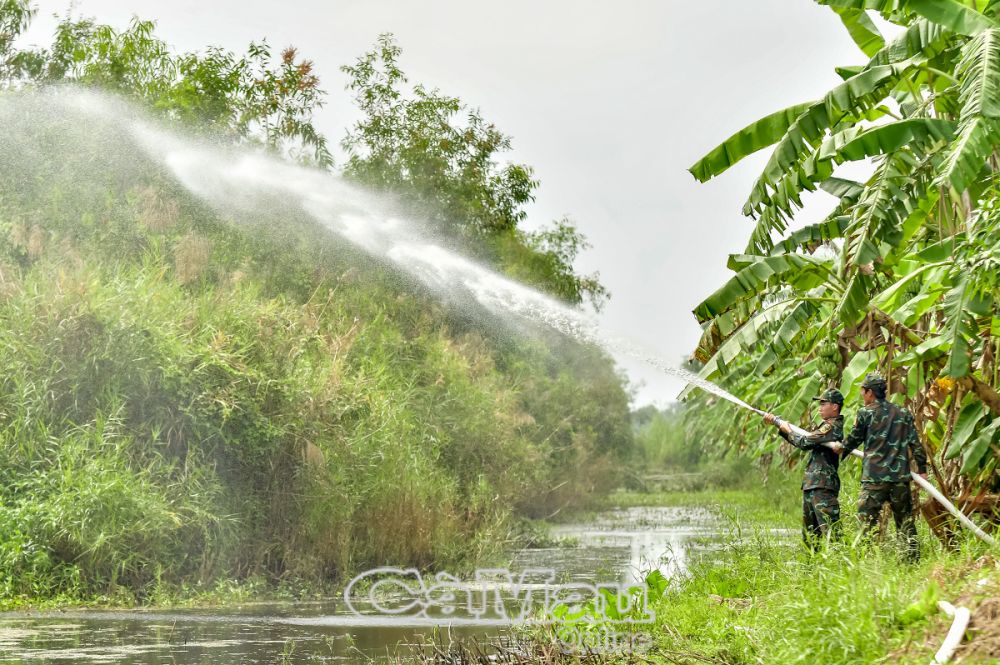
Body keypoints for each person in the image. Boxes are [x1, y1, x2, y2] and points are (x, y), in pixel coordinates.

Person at [841, 372, 928, 561]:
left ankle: (865, 562)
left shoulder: (866, 413)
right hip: (899, 480)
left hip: (874, 480)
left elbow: (854, 439)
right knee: (905, 523)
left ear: (870, 393)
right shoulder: (903, 413)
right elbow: (916, 444)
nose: (862, 396)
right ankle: (910, 562)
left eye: (863, 392)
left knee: (866, 524)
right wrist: (923, 469)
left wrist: (840, 451)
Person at [763, 388, 845, 550]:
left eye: (823, 403)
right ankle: (812, 570)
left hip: (823, 486)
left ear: (835, 407)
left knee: (832, 533)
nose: (820, 407)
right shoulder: (824, 426)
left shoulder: (832, 427)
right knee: (810, 537)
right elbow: (807, 440)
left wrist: (785, 429)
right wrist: (778, 425)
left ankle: (842, 566)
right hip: (812, 485)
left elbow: (805, 443)